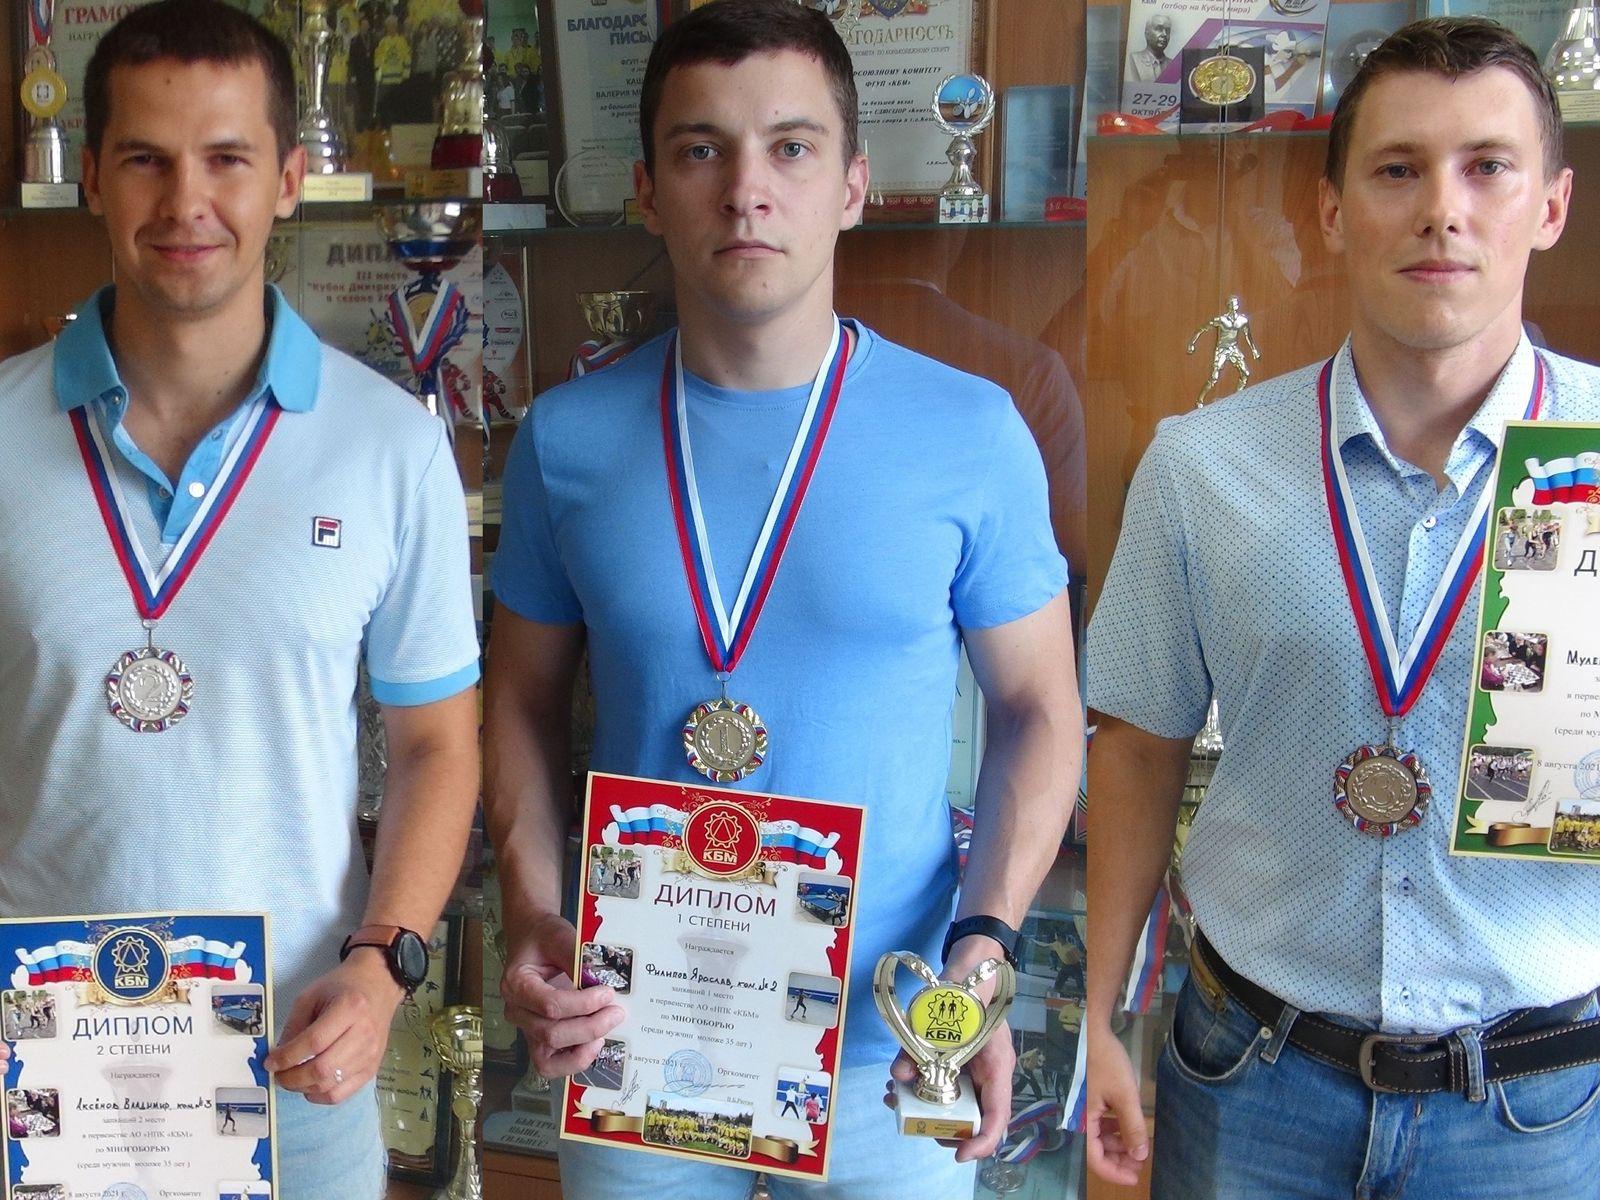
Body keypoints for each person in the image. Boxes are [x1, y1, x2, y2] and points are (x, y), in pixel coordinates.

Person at [482, 2, 1081, 1197]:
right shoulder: (567, 439)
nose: (746, 191)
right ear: (648, 190)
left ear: (853, 184)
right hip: (636, 1030)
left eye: (791, 148)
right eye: (701, 149)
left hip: (886, 1047)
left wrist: (984, 948)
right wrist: (532, 913)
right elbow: (518, 705)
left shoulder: (970, 431)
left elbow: (1039, 712)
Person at [1085, 18, 1600, 1199]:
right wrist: (1102, 1014)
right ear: (1329, 211)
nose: (1442, 210)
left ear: (1550, 206)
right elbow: (1139, 747)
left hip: (1530, 1106)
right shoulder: (1201, 465)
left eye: (1486, 166)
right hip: (1252, 1082)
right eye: (1396, 169)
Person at [0, 3, 479, 1197]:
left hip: (294, 1066)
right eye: (145, 160)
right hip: (35, 1072)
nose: (186, 203)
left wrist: (382, 964)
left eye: (226, 158)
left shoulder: (390, 447)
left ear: (289, 180)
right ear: (91, 177)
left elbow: (436, 745)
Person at [1127, 14, 1173, 82]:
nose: (1164, 34)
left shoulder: (1173, 64)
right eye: (1159, 29)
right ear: (1147, 33)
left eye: (1167, 30)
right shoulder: (1132, 59)